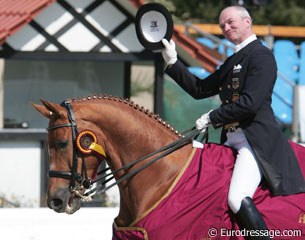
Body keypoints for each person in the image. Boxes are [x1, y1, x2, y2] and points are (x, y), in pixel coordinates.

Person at [161, 5, 305, 240]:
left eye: (230, 22)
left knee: (236, 198)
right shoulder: (233, 60)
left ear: (247, 21)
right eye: (222, 26)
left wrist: (212, 117)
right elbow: (200, 89)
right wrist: (173, 63)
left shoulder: (261, 55)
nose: (226, 28)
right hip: (230, 140)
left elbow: (250, 103)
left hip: (254, 143)